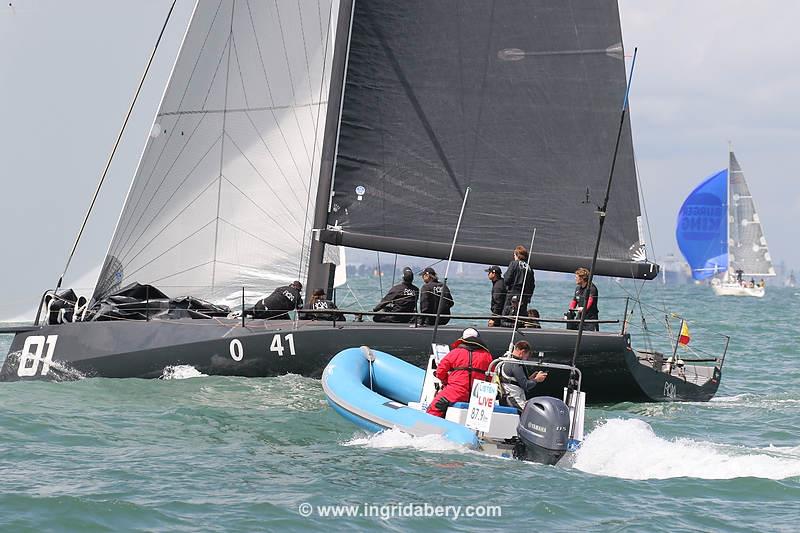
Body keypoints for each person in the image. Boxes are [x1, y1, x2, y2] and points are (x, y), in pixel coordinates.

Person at [427, 328, 494, 418]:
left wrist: (446, 381)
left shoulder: (455, 353)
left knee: (434, 408)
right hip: (478, 395)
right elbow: (490, 377)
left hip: (456, 392)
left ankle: (432, 427)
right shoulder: (487, 356)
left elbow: (440, 372)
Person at [497, 340, 548, 411]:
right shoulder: (515, 364)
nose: (527, 358)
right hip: (513, 400)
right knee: (532, 412)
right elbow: (526, 385)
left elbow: (514, 381)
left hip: (505, 398)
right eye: (527, 355)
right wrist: (537, 380)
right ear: (522, 352)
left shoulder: (505, 360)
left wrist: (531, 378)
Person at [503, 245, 534, 319]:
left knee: (507, 317)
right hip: (524, 298)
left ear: (517, 255)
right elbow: (532, 285)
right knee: (521, 317)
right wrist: (528, 297)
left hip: (513, 295)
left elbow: (507, 279)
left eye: (514, 255)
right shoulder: (529, 268)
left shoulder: (513, 264)